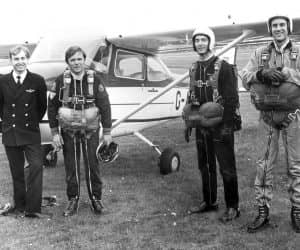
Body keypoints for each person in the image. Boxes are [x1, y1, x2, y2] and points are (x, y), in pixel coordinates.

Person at [242, 15, 300, 233]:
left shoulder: (298, 52)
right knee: (264, 165)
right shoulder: (259, 53)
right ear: (270, 29)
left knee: (296, 165)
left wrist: (289, 73)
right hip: (267, 117)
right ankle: (263, 211)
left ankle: (297, 211)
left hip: (294, 116)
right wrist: (260, 73)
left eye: (282, 25)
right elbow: (244, 76)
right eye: (274, 26)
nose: (278, 29)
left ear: (288, 28)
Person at [183, 26, 240, 222]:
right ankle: (209, 201)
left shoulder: (223, 66)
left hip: (220, 124)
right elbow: (191, 96)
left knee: (226, 167)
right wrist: (188, 123)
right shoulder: (193, 68)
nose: (200, 43)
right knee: (205, 166)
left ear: (210, 42)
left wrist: (227, 126)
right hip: (201, 125)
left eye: (203, 39)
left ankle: (233, 206)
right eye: (197, 40)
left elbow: (232, 99)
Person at [48, 46, 112, 216]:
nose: (76, 63)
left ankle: (96, 199)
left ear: (84, 60)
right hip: (69, 131)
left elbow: (105, 106)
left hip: (90, 130)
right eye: (72, 60)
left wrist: (107, 132)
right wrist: (54, 133)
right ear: (67, 62)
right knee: (71, 166)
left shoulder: (95, 80)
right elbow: (52, 106)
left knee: (93, 164)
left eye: (79, 59)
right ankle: (73, 199)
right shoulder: (61, 81)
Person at [0, 45, 47, 218]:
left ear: (28, 59)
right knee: (17, 171)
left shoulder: (37, 80)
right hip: (10, 132)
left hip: (30, 131)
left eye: (23, 58)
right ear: (11, 61)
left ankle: (33, 209)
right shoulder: (3, 81)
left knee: (36, 166)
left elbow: (42, 107)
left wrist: (30, 121)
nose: (20, 62)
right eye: (16, 59)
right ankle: (20, 206)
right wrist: (8, 123)